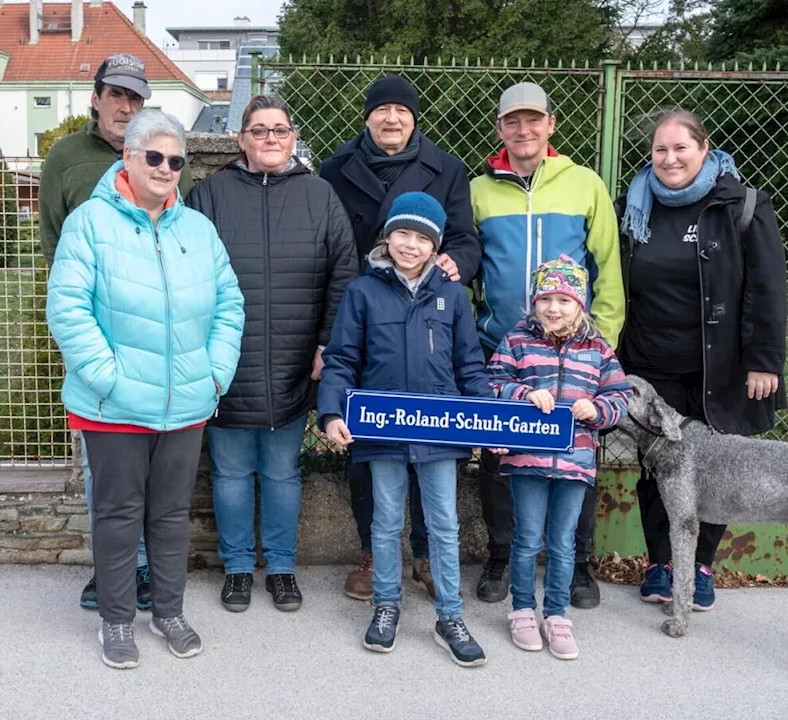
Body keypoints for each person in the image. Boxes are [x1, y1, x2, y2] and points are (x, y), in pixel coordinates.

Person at [46, 110, 245, 669]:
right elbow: (67, 309)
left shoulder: (198, 231)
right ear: (127, 158)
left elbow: (230, 305)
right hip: (113, 405)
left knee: (169, 514)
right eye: (153, 156)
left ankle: (169, 611)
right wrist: (109, 377)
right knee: (117, 515)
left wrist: (213, 375)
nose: (165, 168)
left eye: (175, 160)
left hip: (184, 403)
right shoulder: (90, 223)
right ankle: (115, 621)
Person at [186, 95, 358, 613]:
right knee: (232, 474)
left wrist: (327, 344)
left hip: (292, 361)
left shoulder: (320, 195)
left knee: (282, 473)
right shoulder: (209, 195)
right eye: (258, 131)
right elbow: (187, 274)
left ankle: (281, 568)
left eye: (279, 130)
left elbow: (342, 275)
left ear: (293, 137)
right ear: (241, 139)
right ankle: (238, 568)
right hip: (225, 364)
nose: (269, 139)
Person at [319, 73, 483, 602]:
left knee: (434, 452)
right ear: (366, 116)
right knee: (374, 452)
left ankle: (428, 557)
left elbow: (464, 238)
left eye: (402, 111)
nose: (392, 118)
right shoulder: (334, 169)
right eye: (382, 109)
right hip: (366, 312)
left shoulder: (448, 169)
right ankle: (374, 553)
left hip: (430, 309)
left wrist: (455, 264)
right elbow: (326, 245)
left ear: (415, 118)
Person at [39, 53, 194, 611]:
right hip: (96, 338)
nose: (125, 106)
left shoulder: (165, 154)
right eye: (116, 95)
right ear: (96, 97)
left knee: (158, 469)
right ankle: (114, 570)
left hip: (156, 339)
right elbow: (55, 241)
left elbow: (177, 234)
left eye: (135, 97)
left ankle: (147, 571)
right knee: (103, 466)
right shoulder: (66, 158)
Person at [616, 107, 787, 611]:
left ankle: (702, 565)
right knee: (657, 465)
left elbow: (767, 289)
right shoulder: (633, 205)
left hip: (721, 366)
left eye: (680, 148)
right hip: (649, 362)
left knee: (716, 467)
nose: (669, 159)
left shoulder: (739, 205)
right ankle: (661, 563)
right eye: (659, 150)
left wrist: (765, 360)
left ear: (704, 149)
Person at [317, 192, 493, 668]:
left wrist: (489, 416)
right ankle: (387, 605)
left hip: (441, 433)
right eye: (402, 234)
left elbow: (469, 366)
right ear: (387, 237)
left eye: (422, 238)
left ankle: (450, 616)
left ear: (435, 247)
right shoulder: (362, 292)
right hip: (381, 432)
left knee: (443, 525)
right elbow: (341, 360)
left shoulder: (453, 296)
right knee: (386, 522)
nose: (410, 245)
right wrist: (332, 413)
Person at [470, 82, 624, 607]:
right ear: (500, 129)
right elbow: (470, 268)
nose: (523, 129)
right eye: (512, 121)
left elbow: (608, 268)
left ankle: (578, 565)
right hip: (506, 348)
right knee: (500, 460)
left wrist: (597, 341)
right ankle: (499, 553)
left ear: (550, 125)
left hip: (574, 353)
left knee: (574, 460)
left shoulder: (584, 184)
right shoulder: (480, 190)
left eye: (533, 120)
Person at [487, 256, 631, 661]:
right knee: (527, 538)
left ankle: (556, 615)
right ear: (534, 302)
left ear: (580, 304)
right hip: (526, 460)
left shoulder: (599, 348)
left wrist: (597, 410)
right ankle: (521, 610)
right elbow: (493, 383)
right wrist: (523, 394)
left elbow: (620, 395)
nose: (553, 307)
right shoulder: (516, 340)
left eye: (564, 300)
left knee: (564, 543)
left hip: (575, 461)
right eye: (545, 298)